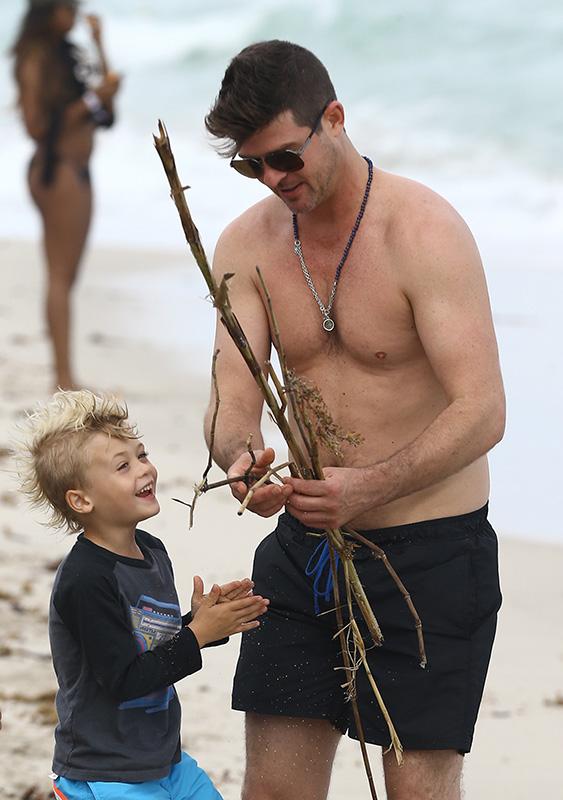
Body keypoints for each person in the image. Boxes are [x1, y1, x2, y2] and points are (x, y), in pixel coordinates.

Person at [203, 40, 505, 800]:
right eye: (251, 166)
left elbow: (483, 410)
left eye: (284, 158)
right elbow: (230, 403)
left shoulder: (423, 233)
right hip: (306, 549)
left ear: (332, 120)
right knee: (272, 792)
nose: (273, 180)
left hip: (430, 556)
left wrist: (370, 486)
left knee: (414, 792)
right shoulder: (247, 245)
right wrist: (242, 461)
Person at [16, 389, 269, 799]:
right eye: (122, 466)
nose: (144, 470)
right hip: (105, 770)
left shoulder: (151, 551)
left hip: (163, 759)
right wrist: (198, 635)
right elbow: (124, 678)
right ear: (81, 499)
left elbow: (150, 646)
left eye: (142, 455)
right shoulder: (85, 580)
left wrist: (202, 620)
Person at [11, 0, 121, 390]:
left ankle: (63, 373)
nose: (74, 13)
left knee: (67, 276)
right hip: (56, 170)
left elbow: (106, 109)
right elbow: (36, 126)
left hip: (76, 171)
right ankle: (61, 377)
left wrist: (99, 43)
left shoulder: (65, 54)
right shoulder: (34, 58)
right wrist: (91, 100)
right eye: (67, 7)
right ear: (47, 10)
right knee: (59, 275)